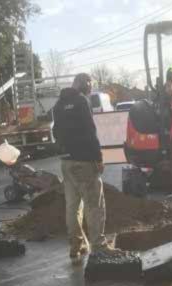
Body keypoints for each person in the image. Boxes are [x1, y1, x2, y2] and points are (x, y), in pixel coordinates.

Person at [52, 73, 115, 260]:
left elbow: (55, 131)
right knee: (94, 204)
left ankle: (76, 245)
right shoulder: (81, 101)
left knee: (72, 206)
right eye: (90, 83)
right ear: (84, 83)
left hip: (66, 162)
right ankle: (99, 245)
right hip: (84, 162)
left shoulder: (58, 105)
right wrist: (98, 157)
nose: (91, 87)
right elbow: (90, 130)